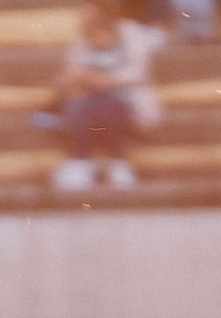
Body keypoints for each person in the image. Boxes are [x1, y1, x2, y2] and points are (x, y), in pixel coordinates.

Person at [54, 0, 156, 192]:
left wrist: (107, 80)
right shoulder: (83, 36)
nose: (83, 11)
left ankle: (119, 162)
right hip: (90, 95)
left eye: (88, 6)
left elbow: (138, 72)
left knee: (114, 105)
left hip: (125, 93)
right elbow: (72, 68)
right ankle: (80, 161)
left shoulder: (130, 32)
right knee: (79, 104)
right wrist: (76, 77)